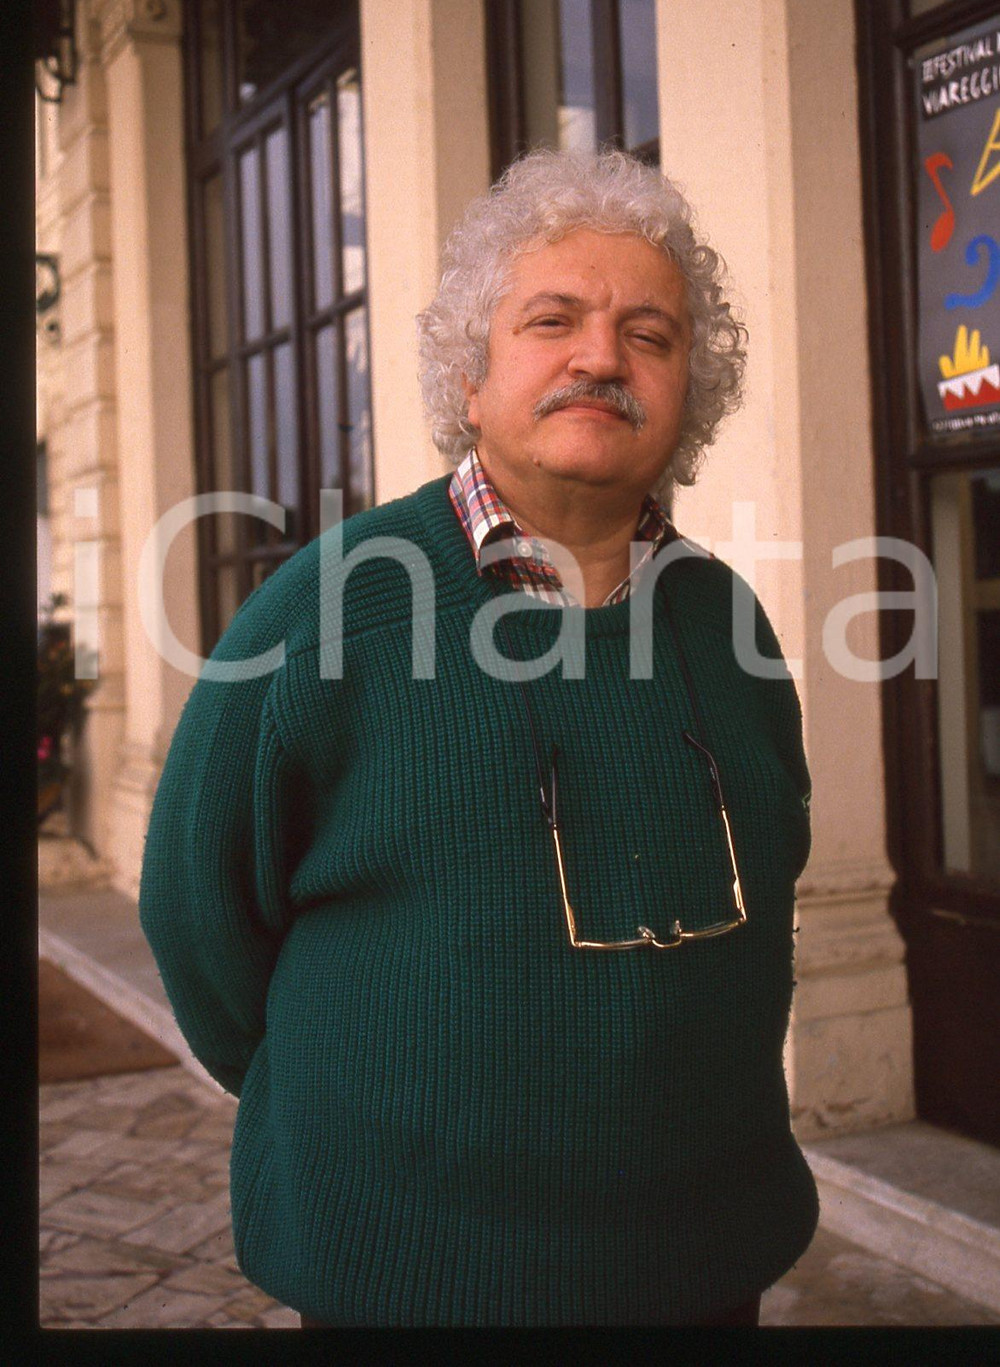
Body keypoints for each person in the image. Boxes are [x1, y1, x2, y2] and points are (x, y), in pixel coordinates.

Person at [139, 147, 819, 1328]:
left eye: (648, 334)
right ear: (471, 373)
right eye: (550, 319)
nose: (601, 356)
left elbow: (778, 859)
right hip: (410, 1275)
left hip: (702, 1265)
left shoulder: (727, 622)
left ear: (686, 391)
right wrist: (341, 1106)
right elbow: (197, 913)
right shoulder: (329, 609)